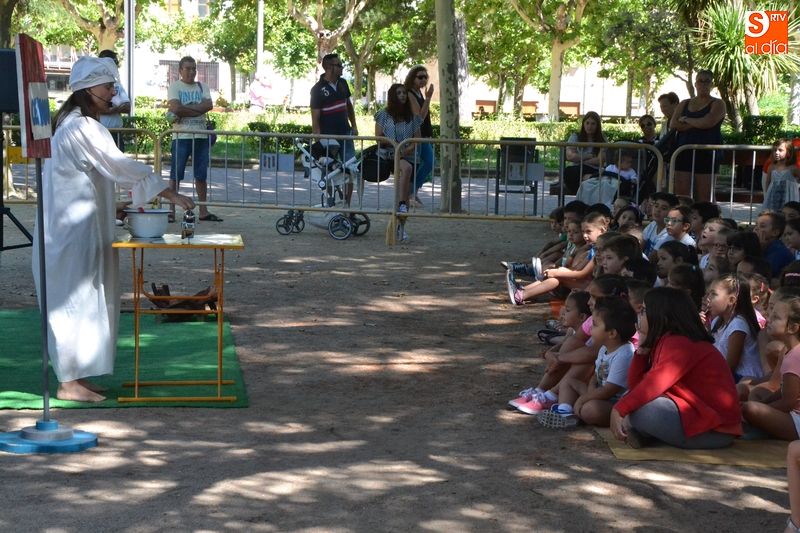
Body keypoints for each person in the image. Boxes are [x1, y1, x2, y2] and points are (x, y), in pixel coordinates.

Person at [34, 56, 195, 402]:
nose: (113, 94)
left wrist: (114, 207)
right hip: (69, 233)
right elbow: (121, 166)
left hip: (76, 228)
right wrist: (171, 194)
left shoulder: (73, 123)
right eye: (108, 87)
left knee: (87, 299)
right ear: (88, 89)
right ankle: (68, 384)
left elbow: (85, 179)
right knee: (73, 301)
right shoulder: (80, 127)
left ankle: (78, 376)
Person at [610, 287, 742, 449]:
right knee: (631, 399)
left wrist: (619, 410)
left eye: (644, 311)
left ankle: (644, 433)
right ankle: (644, 434)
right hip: (700, 422)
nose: (639, 315)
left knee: (637, 408)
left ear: (663, 319)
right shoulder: (668, 340)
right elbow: (636, 387)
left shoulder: (680, 343)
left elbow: (652, 385)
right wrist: (642, 351)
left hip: (715, 431)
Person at [512, 275, 633, 414]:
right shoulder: (596, 320)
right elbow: (573, 339)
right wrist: (552, 353)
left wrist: (558, 358)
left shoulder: (618, 327)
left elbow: (590, 354)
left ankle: (551, 396)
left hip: (610, 394)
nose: (589, 302)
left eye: (594, 297)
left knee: (585, 361)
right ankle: (542, 391)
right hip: (597, 386)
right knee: (572, 345)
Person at [537, 297, 637, 429]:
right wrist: (590, 391)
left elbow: (609, 390)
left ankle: (576, 412)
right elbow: (596, 376)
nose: (590, 328)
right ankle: (565, 413)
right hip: (598, 393)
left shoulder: (624, 355)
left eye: (594, 325)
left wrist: (583, 399)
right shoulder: (604, 347)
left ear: (612, 333)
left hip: (614, 402)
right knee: (568, 382)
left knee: (591, 409)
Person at [375, 82, 433, 241]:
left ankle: (400, 228)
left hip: (409, 154)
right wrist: (395, 146)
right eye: (399, 93)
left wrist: (409, 148)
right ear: (392, 96)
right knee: (406, 170)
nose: (402, 95)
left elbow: (417, 139)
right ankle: (400, 204)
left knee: (406, 193)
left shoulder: (413, 117)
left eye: (404, 93)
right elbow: (378, 138)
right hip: (390, 153)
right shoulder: (383, 115)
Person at [506, 212, 606, 304]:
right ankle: (522, 290)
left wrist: (557, 273)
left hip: (595, 288)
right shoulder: (592, 248)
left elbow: (581, 274)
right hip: (590, 285)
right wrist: (560, 270)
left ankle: (521, 295)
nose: (585, 235)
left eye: (588, 232)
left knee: (557, 277)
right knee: (556, 274)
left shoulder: (599, 251)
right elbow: (576, 269)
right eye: (583, 231)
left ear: (602, 231)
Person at [167, 56, 219, 222]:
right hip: (181, 137)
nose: (191, 72)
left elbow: (208, 106)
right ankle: (171, 211)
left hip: (201, 137)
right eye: (187, 69)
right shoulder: (174, 87)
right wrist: (198, 109)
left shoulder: (203, 87)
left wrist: (186, 109)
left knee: (201, 174)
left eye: (193, 68)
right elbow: (176, 108)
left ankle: (203, 210)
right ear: (180, 71)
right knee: (175, 175)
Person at [741, 294, 800, 440]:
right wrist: (762, 403)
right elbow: (783, 390)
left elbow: (787, 404)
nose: (769, 320)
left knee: (749, 409)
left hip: (797, 422)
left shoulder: (794, 358)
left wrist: (760, 407)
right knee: (757, 394)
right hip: (791, 413)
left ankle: (763, 429)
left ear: (793, 328)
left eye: (776, 318)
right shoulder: (789, 351)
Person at [310, 54, 360, 206]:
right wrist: (318, 142)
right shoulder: (317, 90)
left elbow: (348, 105)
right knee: (328, 171)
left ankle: (347, 205)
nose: (342, 68)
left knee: (350, 168)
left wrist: (353, 125)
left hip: (345, 134)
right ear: (329, 68)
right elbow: (315, 118)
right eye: (339, 65)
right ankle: (331, 203)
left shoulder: (343, 83)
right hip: (328, 136)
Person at [670, 70, 727, 200]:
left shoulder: (718, 103)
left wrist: (685, 119)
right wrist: (699, 122)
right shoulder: (684, 103)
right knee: (682, 196)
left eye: (707, 81)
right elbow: (673, 124)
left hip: (707, 153)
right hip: (683, 151)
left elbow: (709, 122)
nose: (703, 84)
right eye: (700, 81)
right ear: (695, 84)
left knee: (706, 197)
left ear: (712, 84)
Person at [706, 274, 763, 381]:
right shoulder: (717, 321)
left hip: (742, 377)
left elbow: (730, 366)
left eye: (713, 294)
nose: (708, 299)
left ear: (731, 300)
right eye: (708, 294)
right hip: (724, 372)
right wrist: (705, 329)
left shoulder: (738, 325)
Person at [404, 65, 435, 207]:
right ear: (413, 78)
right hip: (416, 134)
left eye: (425, 77)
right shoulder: (410, 93)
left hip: (423, 134)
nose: (423, 80)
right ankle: (410, 195)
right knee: (415, 163)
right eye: (420, 77)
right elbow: (419, 116)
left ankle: (414, 191)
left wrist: (426, 97)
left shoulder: (419, 93)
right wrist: (428, 98)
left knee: (430, 161)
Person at [563, 111, 608, 194]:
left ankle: (581, 195)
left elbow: (599, 161)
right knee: (571, 172)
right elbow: (570, 156)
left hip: (594, 170)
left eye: (593, 124)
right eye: (587, 123)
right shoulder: (575, 137)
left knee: (584, 175)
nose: (589, 126)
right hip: (575, 170)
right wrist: (590, 156)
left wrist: (579, 159)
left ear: (597, 125)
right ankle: (585, 186)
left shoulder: (602, 140)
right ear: (583, 124)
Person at [96, 50, 130, 152]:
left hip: (116, 135)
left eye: (117, 63)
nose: (116, 66)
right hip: (98, 133)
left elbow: (127, 107)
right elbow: (93, 107)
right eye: (114, 62)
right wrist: (114, 108)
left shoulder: (118, 85)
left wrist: (110, 109)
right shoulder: (94, 84)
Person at [763, 139, 800, 212]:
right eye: (775, 150)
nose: (776, 152)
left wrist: (797, 190)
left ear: (788, 152)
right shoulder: (771, 168)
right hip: (774, 199)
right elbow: (768, 183)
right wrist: (768, 196)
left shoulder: (793, 168)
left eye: (780, 150)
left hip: (789, 198)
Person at [756, 210, 795, 278]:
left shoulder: (778, 251)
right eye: (756, 225)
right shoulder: (765, 246)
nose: (756, 228)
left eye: (762, 226)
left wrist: (758, 250)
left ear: (775, 232)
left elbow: (762, 274)